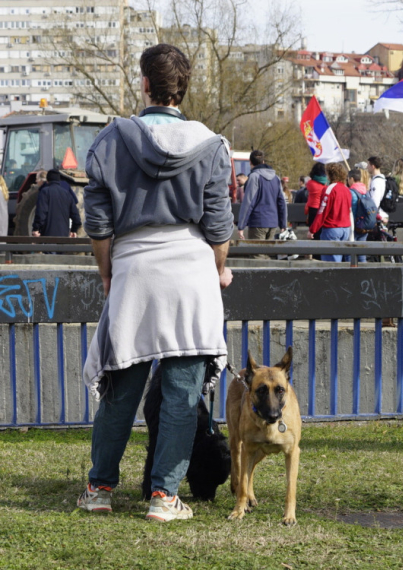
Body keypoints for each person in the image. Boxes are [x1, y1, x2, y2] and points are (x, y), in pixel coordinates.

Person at [78, 44, 234, 522]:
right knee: (184, 392)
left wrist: (108, 272)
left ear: (145, 84)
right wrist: (217, 268)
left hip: (134, 269)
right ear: (182, 88)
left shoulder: (110, 139)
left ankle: (100, 488)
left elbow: (99, 224)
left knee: (122, 387)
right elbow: (219, 228)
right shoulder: (213, 144)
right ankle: (164, 497)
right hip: (190, 271)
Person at [237, 150, 287, 252]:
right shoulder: (276, 178)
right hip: (272, 223)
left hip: (258, 223)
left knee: (257, 255)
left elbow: (248, 202)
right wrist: (283, 224)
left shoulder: (254, 177)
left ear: (250, 162)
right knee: (267, 254)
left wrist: (241, 226)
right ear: (263, 161)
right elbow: (282, 202)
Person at [308, 162, 352, 262]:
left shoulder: (329, 189)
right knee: (340, 261)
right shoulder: (347, 190)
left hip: (332, 228)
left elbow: (322, 212)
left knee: (331, 263)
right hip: (345, 229)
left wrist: (312, 229)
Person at [31, 169, 81, 238]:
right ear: (58, 180)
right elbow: (76, 217)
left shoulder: (44, 192)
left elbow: (41, 213)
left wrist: (36, 229)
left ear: (47, 181)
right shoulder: (67, 194)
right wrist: (73, 230)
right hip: (64, 236)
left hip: (48, 236)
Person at [348, 168, 368, 263]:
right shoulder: (365, 191)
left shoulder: (351, 192)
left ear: (351, 179)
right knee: (362, 253)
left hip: (354, 226)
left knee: (350, 253)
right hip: (364, 225)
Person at [304, 162, 328, 237]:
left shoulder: (310, 183)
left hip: (313, 209)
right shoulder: (327, 184)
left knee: (313, 231)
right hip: (323, 208)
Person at [367, 156, 388, 222]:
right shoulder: (382, 179)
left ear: (373, 166)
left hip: (379, 216)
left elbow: (375, 201)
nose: (367, 167)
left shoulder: (376, 182)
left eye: (368, 165)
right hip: (382, 214)